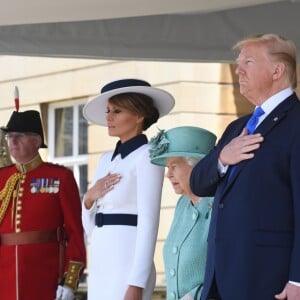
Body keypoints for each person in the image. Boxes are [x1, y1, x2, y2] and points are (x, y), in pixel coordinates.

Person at [190, 33, 300, 300]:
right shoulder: (237, 127)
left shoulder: (296, 123)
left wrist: (298, 279)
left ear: (277, 70)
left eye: (248, 62)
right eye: (238, 62)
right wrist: (222, 158)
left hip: (268, 280)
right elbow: (198, 183)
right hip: (220, 277)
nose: (238, 69)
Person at [81, 78, 175, 300]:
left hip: (128, 261)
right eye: (108, 111)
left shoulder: (147, 155)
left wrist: (137, 281)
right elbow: (90, 228)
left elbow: (149, 222)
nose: (108, 117)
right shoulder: (105, 160)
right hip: (101, 258)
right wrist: (89, 198)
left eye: (117, 111)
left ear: (139, 115)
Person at [0, 109, 86, 300]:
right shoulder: (1, 178)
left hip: (45, 280)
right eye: (10, 136)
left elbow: (75, 233)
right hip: (3, 281)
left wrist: (70, 279)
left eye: (19, 136)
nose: (12, 141)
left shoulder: (60, 177)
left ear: (36, 141)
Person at [149, 126, 216, 300]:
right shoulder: (183, 204)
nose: (168, 174)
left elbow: (229, 267)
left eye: (174, 166)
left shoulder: (219, 204)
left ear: (197, 166)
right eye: (167, 167)